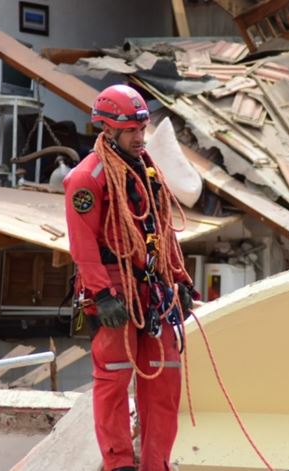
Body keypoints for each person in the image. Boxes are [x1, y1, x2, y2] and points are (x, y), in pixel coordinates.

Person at [64, 84, 199, 471]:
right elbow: (83, 243)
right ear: (108, 131)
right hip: (113, 289)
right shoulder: (87, 179)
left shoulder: (147, 171)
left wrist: (181, 280)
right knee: (114, 378)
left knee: (165, 377)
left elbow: (162, 228)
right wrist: (102, 295)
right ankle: (119, 464)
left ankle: (156, 464)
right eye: (131, 131)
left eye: (143, 128)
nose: (140, 137)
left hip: (152, 288)